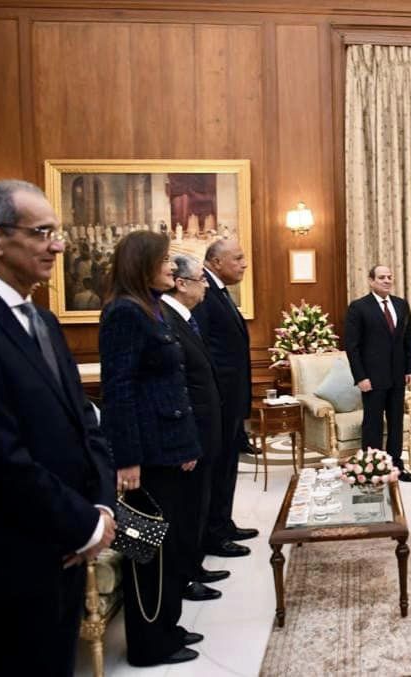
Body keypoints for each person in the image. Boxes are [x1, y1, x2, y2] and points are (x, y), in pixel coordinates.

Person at [0, 180, 116, 676]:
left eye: (58, 233)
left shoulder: (44, 321)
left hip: (67, 548)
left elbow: (84, 422)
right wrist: (82, 524)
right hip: (12, 555)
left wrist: (101, 508)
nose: (58, 246)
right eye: (42, 233)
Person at [99, 230, 202, 666]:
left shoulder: (152, 308)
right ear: (142, 265)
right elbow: (119, 390)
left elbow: (171, 385)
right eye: (163, 261)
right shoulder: (124, 312)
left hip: (169, 447)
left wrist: (187, 444)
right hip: (147, 455)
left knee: (170, 545)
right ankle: (148, 645)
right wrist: (127, 459)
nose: (171, 268)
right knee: (149, 552)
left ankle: (167, 627)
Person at [161, 254, 230, 602]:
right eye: (202, 279)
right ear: (181, 284)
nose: (205, 286)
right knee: (188, 508)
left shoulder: (185, 318)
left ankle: (194, 566)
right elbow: (179, 385)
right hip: (192, 432)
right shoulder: (167, 319)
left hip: (205, 428)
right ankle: (186, 575)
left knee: (199, 503)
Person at [192, 238, 258, 557]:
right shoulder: (203, 293)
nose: (244, 264)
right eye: (238, 258)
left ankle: (224, 523)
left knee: (229, 465)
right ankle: (213, 535)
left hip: (230, 400)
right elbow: (203, 350)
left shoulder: (219, 290)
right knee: (217, 469)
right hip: (218, 401)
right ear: (216, 262)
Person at [345, 264, 411, 481]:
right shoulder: (359, 307)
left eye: (389, 277)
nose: (387, 281)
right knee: (373, 423)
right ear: (371, 281)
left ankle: (396, 466)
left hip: (398, 376)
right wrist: (360, 377)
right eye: (381, 277)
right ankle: (372, 468)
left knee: (396, 422)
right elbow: (352, 346)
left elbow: (409, 339)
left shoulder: (401, 304)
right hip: (372, 378)